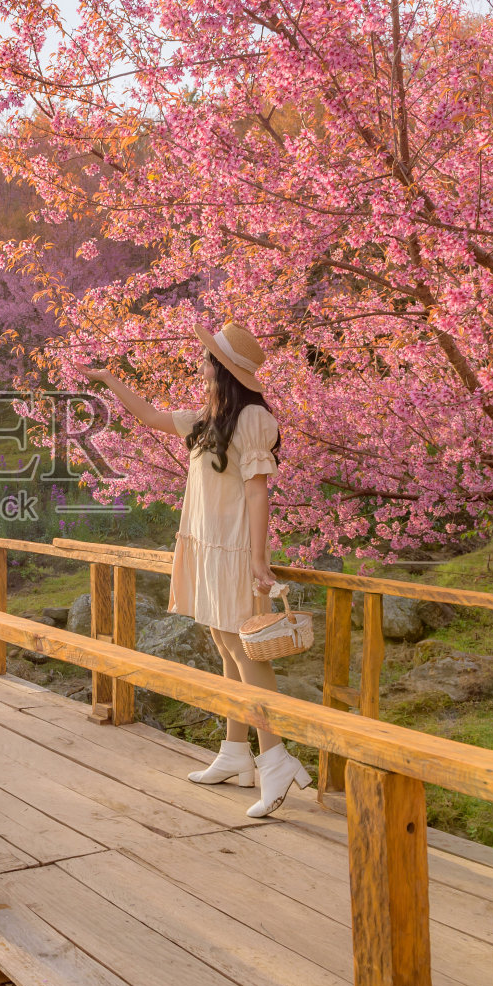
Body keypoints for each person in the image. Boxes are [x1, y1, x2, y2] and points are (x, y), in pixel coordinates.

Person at [78, 318, 311, 817]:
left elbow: (257, 491)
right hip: (207, 546)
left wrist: (258, 560)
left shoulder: (253, 421)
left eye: (208, 362)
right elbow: (147, 416)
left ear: (223, 370)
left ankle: (277, 760)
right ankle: (235, 753)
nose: (202, 368)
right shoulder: (209, 421)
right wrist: (108, 378)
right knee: (226, 646)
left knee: (248, 652)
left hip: (233, 551)